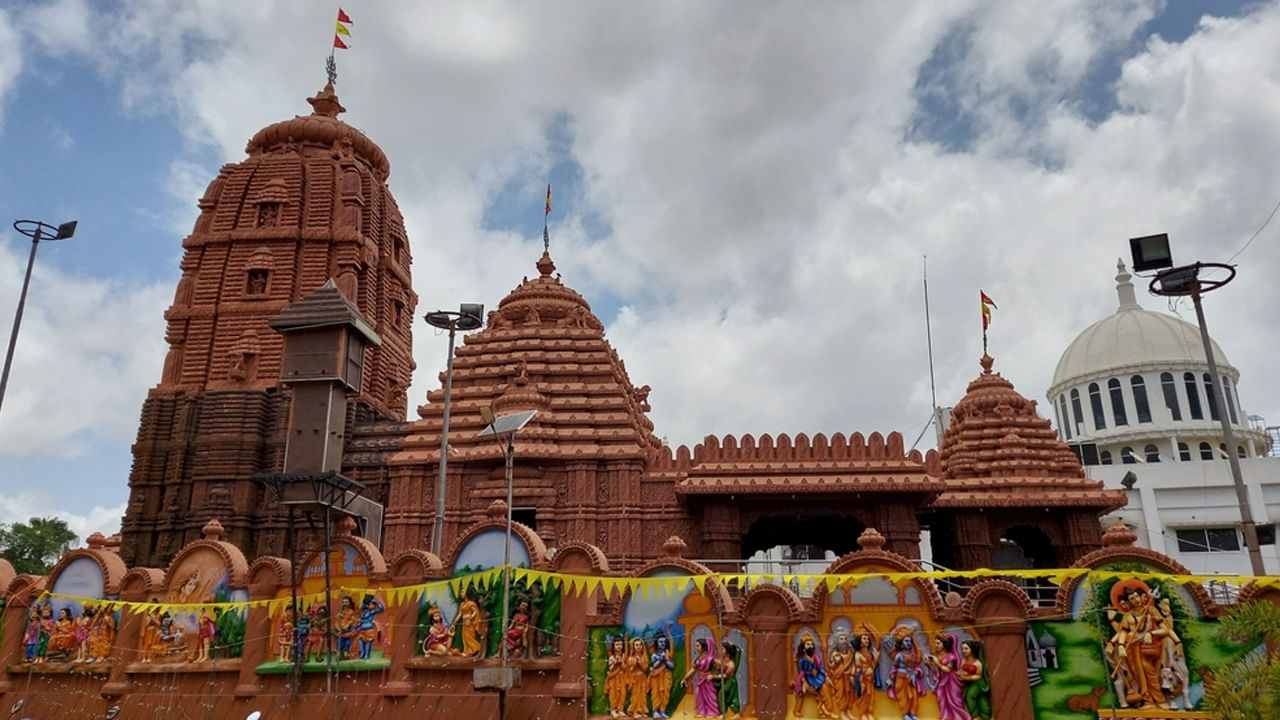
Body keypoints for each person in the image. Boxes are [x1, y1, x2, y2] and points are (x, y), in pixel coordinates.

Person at [925, 633, 969, 720]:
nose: (936, 645)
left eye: (938, 643)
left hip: (952, 682)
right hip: (942, 681)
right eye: (935, 643)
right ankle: (945, 716)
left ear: (944, 645)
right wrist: (930, 665)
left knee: (954, 700)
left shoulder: (951, 657)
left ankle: (958, 717)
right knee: (941, 697)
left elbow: (948, 670)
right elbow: (937, 671)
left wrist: (937, 663)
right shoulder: (938, 657)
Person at [887, 626, 925, 720]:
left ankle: (913, 714)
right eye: (906, 641)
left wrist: (915, 673)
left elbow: (916, 667)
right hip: (900, 679)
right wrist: (891, 678)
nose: (908, 643)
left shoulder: (913, 656)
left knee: (913, 697)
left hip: (911, 679)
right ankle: (905, 714)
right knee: (904, 697)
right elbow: (894, 667)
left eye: (910, 641)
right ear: (901, 644)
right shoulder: (899, 655)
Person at [793, 632, 832, 718]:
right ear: (803, 648)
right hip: (808, 677)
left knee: (825, 687)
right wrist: (803, 681)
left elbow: (819, 667)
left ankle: (823, 707)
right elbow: (801, 671)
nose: (810, 646)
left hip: (817, 676)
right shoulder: (802, 660)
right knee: (816, 690)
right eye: (808, 644)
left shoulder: (816, 657)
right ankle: (820, 708)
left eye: (811, 644)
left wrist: (825, 674)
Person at [681, 637, 721, 718]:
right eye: (696, 646)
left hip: (708, 681)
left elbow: (721, 666)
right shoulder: (698, 658)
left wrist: (714, 676)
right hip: (701, 680)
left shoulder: (710, 659)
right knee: (699, 695)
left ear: (703, 646)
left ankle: (712, 712)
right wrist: (685, 678)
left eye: (698, 646)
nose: (696, 648)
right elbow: (693, 669)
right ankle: (702, 711)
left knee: (710, 696)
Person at [850, 627, 881, 720]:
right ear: (859, 641)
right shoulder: (857, 654)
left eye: (867, 638)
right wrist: (860, 681)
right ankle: (863, 714)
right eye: (864, 638)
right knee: (863, 699)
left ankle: (869, 714)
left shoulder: (869, 653)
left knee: (871, 698)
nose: (867, 640)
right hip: (862, 681)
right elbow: (858, 669)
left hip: (870, 681)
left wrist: (875, 660)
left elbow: (872, 666)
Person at [956, 640, 992, 720]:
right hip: (968, 683)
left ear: (972, 649)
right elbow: (962, 670)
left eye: (966, 648)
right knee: (967, 697)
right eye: (962, 648)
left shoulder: (978, 663)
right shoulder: (964, 660)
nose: (963, 651)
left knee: (970, 696)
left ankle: (976, 716)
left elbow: (978, 676)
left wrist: (966, 678)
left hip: (978, 683)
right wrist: (960, 673)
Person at [648, 627, 676, 719]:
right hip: (657, 677)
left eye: (664, 642)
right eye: (660, 642)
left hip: (666, 676)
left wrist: (666, 660)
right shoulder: (654, 655)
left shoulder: (667, 653)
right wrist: (660, 660)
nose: (662, 644)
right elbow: (654, 666)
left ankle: (662, 710)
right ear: (656, 643)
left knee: (665, 694)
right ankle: (655, 710)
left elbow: (672, 666)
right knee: (656, 694)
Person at [826, 630, 854, 717]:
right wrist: (835, 661)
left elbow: (852, 664)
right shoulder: (835, 653)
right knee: (841, 695)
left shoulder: (850, 653)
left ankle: (848, 711)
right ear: (837, 641)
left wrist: (852, 673)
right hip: (839, 678)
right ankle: (841, 712)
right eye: (841, 639)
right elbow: (831, 665)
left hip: (848, 678)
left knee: (849, 694)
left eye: (845, 639)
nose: (844, 641)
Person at [625, 635, 650, 717]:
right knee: (635, 696)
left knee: (642, 696)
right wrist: (635, 664)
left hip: (642, 678)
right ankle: (634, 711)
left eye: (640, 645)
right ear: (633, 647)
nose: (638, 647)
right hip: (634, 679)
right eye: (636, 645)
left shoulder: (644, 657)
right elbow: (629, 670)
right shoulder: (631, 658)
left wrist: (640, 663)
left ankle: (642, 711)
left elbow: (645, 669)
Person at [718, 640, 742, 719]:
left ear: (727, 650)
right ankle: (724, 712)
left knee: (726, 694)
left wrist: (714, 676)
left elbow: (725, 675)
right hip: (726, 681)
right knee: (726, 695)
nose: (720, 650)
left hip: (730, 681)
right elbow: (720, 664)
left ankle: (735, 713)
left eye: (722, 649)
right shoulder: (724, 660)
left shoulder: (731, 664)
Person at [355, 594, 385, 660]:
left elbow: (381, 609)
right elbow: (362, 607)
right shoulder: (364, 612)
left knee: (369, 642)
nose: (370, 605)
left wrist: (377, 602)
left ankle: (367, 655)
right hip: (362, 630)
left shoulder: (372, 612)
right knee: (361, 641)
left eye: (371, 604)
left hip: (369, 629)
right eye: (368, 604)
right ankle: (362, 653)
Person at [606, 635, 628, 719]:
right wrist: (615, 663)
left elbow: (626, 668)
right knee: (614, 693)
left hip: (622, 677)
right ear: (613, 646)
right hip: (614, 678)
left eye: (621, 644)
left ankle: (620, 709)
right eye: (617, 644)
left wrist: (621, 663)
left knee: (622, 693)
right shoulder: (611, 657)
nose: (619, 646)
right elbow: (610, 668)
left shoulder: (624, 656)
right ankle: (613, 710)